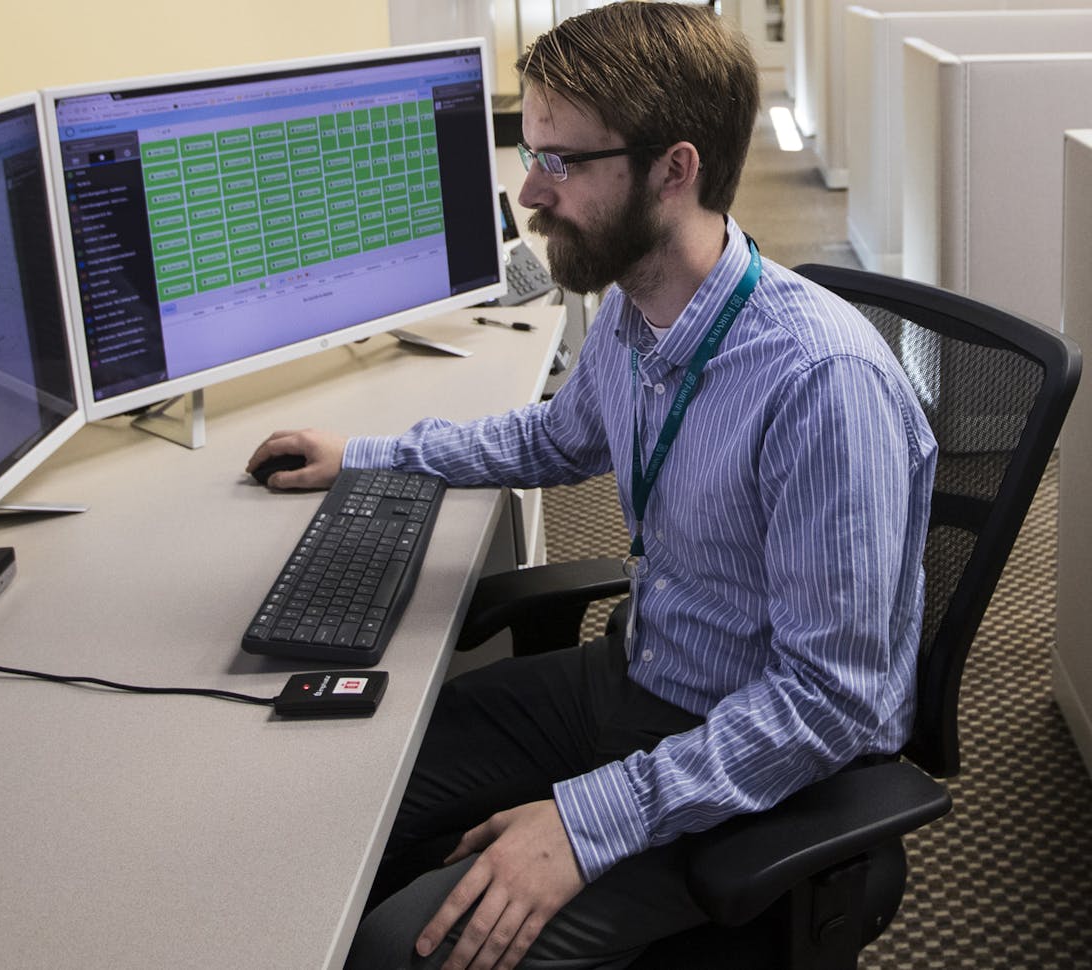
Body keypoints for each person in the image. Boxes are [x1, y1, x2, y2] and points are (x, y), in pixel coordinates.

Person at [246, 3, 938, 967]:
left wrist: (587, 822)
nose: (530, 191)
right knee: (346, 792)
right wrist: (367, 454)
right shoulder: (637, 306)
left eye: (562, 161)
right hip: (637, 672)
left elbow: (831, 703)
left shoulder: (821, 386)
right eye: (533, 152)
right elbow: (557, 436)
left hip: (751, 755)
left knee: (405, 948)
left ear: (674, 168)